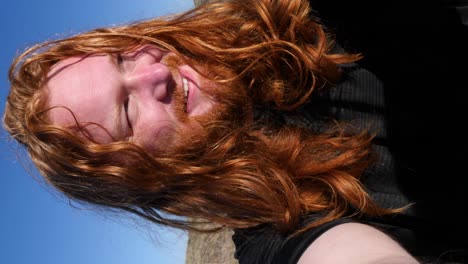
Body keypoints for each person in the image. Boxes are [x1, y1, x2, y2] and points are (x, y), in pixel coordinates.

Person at [3, 0, 466, 263]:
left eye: (123, 58)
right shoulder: (278, 230)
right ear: (136, 176)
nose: (153, 75)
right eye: (127, 109)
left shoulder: (288, 13)